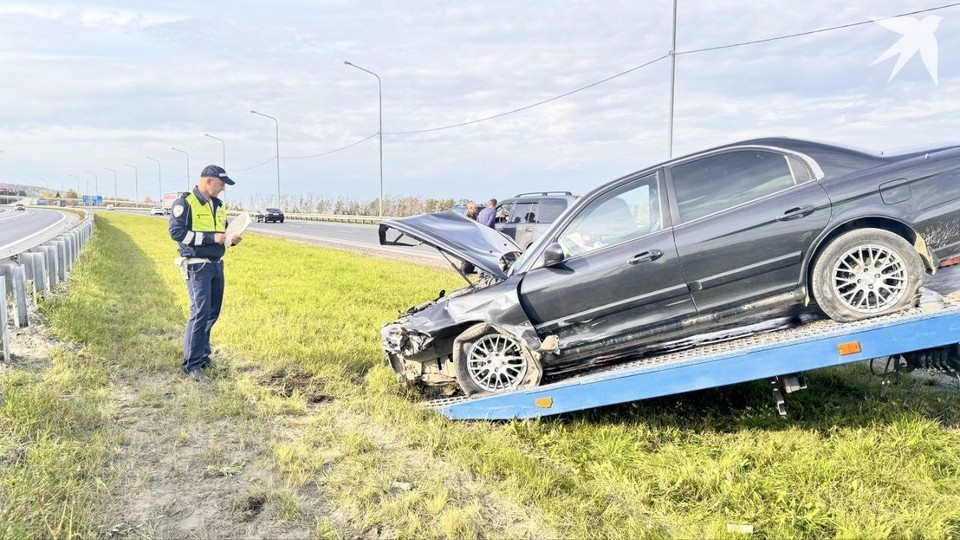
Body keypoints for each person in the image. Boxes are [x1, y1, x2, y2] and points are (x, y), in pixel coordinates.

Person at [168, 165, 242, 382]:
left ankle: (203, 356)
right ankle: (191, 365)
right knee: (200, 312)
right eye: (221, 184)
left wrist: (230, 239)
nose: (223, 189)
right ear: (208, 181)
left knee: (212, 313)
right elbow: (177, 232)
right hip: (197, 265)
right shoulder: (185, 203)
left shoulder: (218, 205)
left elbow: (222, 233)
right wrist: (212, 238)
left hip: (217, 264)